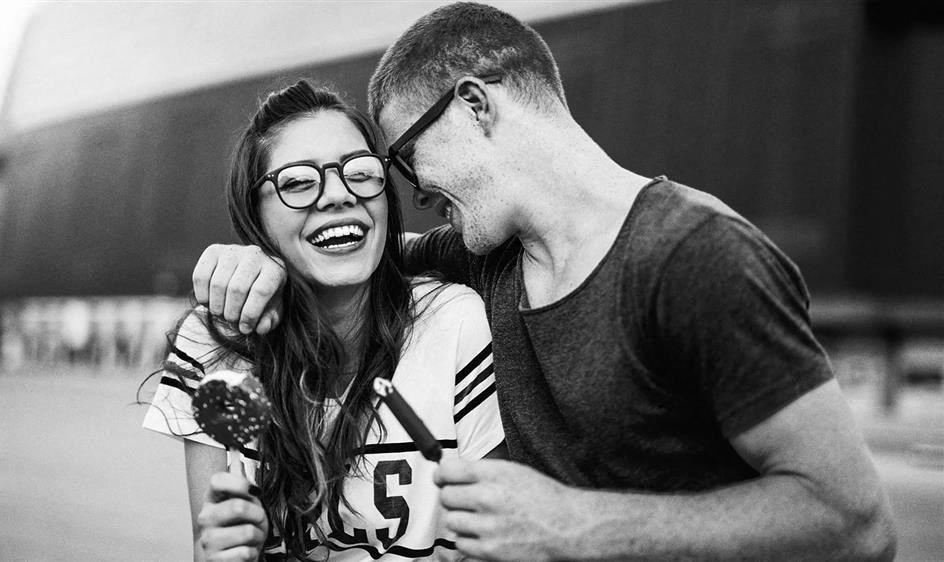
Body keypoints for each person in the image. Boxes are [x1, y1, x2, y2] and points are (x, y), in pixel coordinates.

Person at [190, 3, 897, 560]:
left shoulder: (695, 256)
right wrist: (256, 261)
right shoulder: (482, 250)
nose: (415, 188)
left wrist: (577, 524)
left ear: (474, 105)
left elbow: (855, 522)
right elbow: (352, 250)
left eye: (405, 157)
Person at [142, 80, 506, 561]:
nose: (338, 195)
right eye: (297, 182)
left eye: (361, 172)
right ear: (256, 217)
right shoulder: (217, 342)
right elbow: (206, 545)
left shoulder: (454, 321)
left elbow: (498, 539)